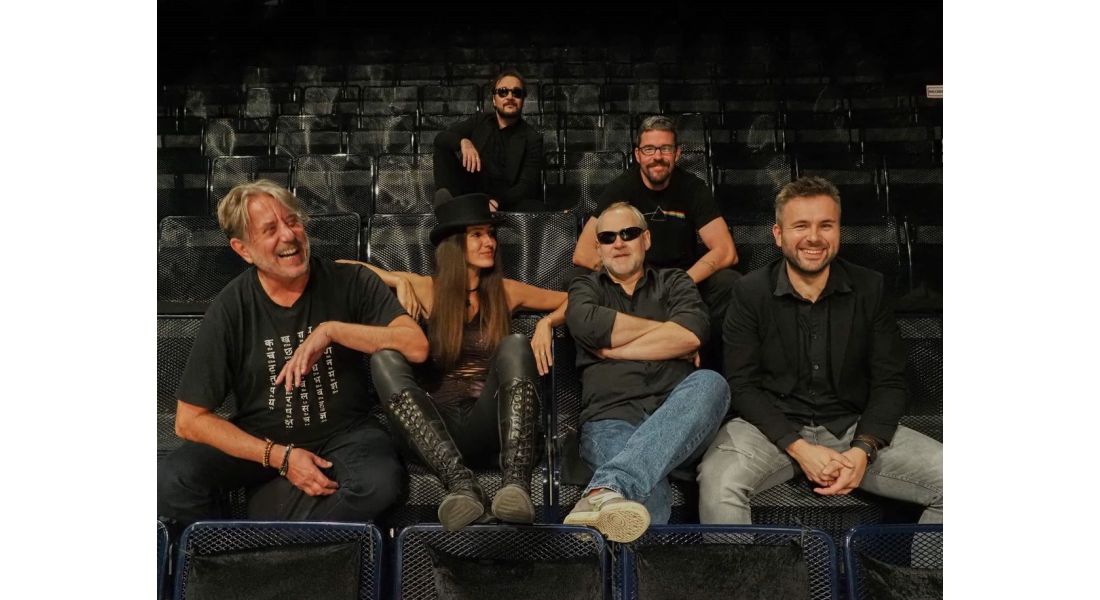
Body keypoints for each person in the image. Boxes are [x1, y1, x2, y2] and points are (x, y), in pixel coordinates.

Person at [157, 180, 429, 528]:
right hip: (264, 438)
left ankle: (268, 534)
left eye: (293, 221)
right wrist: (279, 458)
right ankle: (231, 548)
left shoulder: (350, 281)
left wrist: (332, 331)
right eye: (270, 229)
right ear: (243, 249)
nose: (289, 235)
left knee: (379, 484)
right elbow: (189, 420)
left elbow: (416, 346)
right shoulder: (230, 308)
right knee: (172, 480)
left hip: (346, 432)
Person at [697, 176, 943, 524]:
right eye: (801, 226)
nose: (814, 237)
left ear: (838, 231)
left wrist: (863, 450)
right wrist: (799, 448)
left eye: (825, 225)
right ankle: (751, 565)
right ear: (778, 234)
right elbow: (742, 385)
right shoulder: (750, 292)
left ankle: (922, 567)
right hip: (769, 429)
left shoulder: (870, 287)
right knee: (718, 484)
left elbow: (890, 381)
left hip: (852, 426)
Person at [341, 193, 567, 531]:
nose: (490, 242)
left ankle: (515, 485)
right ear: (454, 244)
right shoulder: (425, 289)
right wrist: (397, 280)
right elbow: (344, 268)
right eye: (477, 235)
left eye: (491, 234)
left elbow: (575, 300)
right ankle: (461, 485)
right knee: (384, 356)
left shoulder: (506, 291)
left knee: (516, 344)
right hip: (432, 435)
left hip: (488, 429)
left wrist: (547, 323)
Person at [562, 202, 730, 542]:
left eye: (629, 233)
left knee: (712, 382)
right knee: (648, 498)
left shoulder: (675, 281)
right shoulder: (584, 288)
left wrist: (614, 349)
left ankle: (605, 489)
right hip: (611, 418)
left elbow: (693, 333)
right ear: (599, 248)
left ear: (646, 239)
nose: (619, 243)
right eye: (608, 237)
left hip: (679, 419)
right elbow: (589, 325)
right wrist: (667, 331)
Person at [571, 115, 739, 367]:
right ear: (638, 155)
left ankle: (711, 367)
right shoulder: (621, 188)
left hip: (683, 278)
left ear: (677, 153)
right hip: (636, 281)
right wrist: (627, 280)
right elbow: (583, 253)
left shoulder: (693, 187)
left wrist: (680, 283)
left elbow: (726, 251)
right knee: (576, 278)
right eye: (649, 149)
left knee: (729, 282)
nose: (657, 156)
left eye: (665, 149)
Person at [433, 70, 544, 211]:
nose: (510, 97)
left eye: (517, 93)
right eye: (503, 92)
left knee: (534, 206)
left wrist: (497, 202)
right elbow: (441, 138)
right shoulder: (480, 121)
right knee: (443, 146)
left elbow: (527, 185)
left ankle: (456, 211)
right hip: (468, 196)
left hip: (504, 203)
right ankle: (449, 208)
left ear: (522, 101)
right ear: (494, 100)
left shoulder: (532, 138)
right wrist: (463, 142)